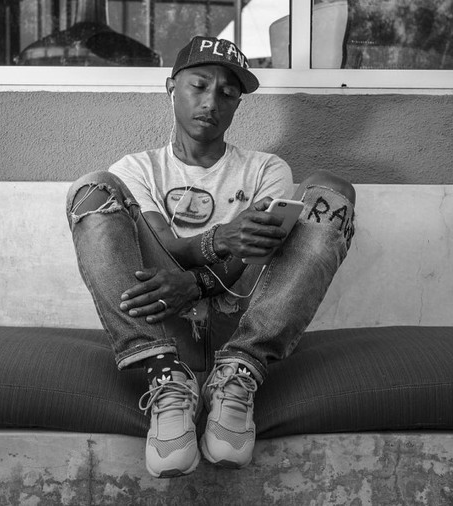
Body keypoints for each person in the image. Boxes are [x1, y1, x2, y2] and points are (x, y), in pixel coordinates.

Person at [66, 35, 356, 478]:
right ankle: (165, 377)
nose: (211, 102)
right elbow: (168, 247)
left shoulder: (266, 168)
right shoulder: (137, 169)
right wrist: (220, 237)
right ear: (171, 88)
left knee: (332, 191)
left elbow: (260, 252)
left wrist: (199, 281)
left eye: (227, 93)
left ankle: (238, 374)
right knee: (91, 188)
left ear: (238, 104)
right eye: (199, 86)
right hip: (161, 319)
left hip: (242, 319)